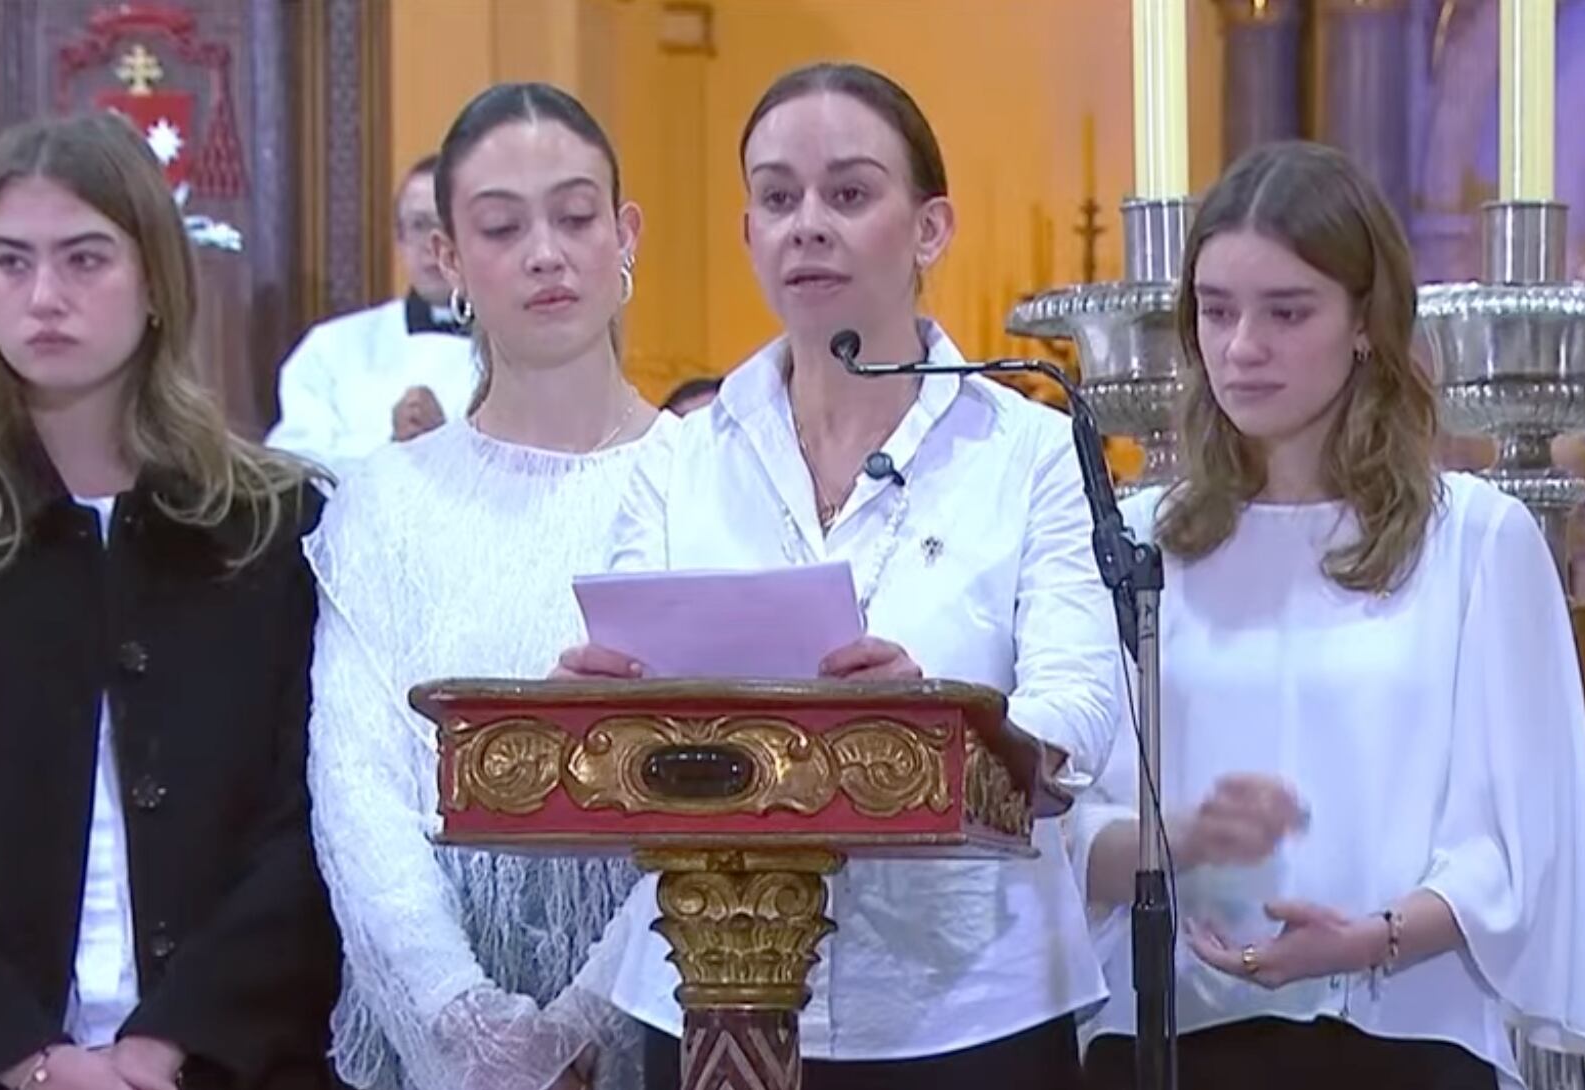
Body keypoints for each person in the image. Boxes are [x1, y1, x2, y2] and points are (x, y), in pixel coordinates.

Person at [554, 61, 1123, 1089]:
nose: (806, 224)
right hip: (702, 990)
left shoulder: (1030, 451)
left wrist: (940, 719)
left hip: (969, 1003)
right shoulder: (677, 459)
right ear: (747, 233)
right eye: (777, 198)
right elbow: (624, 691)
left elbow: (1077, 712)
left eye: (848, 194)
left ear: (929, 228)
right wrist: (602, 707)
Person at [0, 112, 338, 1090]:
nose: (44, 296)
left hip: (228, 1064)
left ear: (155, 284)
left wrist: (170, 1041)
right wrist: (29, 1060)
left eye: (85, 259)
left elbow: (309, 815)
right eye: (11, 263)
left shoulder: (271, 525)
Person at [1070, 141, 1585, 1089]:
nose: (1242, 347)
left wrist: (1373, 939)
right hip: (1166, 1040)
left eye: (1287, 312)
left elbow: (1521, 842)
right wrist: (1182, 843)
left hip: (1397, 1038)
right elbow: (1072, 817)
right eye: (1216, 309)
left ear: (1365, 321)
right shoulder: (1133, 541)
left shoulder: (1476, 542)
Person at [306, 83, 670, 1090]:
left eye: (575, 214)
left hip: (669, 1004)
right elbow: (356, 785)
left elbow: (737, 782)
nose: (545, 252)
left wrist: (584, 1023)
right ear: (451, 260)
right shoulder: (383, 501)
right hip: (430, 1029)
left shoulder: (711, 479)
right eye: (502, 226)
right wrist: (465, 1023)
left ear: (624, 232)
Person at [267, 154, 484, 470]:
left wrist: (449, 447)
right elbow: (292, 467)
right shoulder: (331, 348)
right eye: (420, 225)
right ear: (399, 238)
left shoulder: (527, 352)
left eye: (449, 224)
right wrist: (391, 446)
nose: (435, 245)